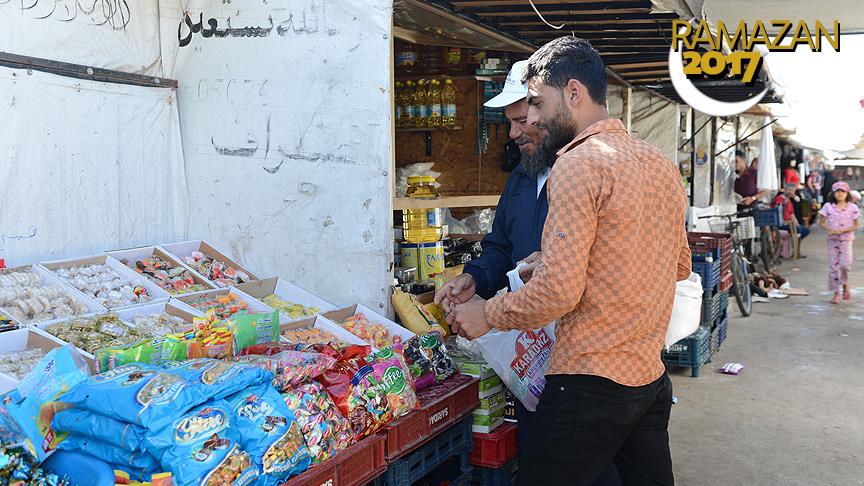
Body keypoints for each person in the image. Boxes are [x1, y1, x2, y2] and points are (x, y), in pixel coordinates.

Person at [443, 37, 689, 486]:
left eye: (537, 103)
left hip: (587, 379)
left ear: (573, 93)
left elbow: (558, 292)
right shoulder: (659, 163)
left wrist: (486, 314)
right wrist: (566, 263)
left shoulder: (578, 162)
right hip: (646, 377)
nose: (531, 118)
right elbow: (677, 266)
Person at [433, 60, 620, 486]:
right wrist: (474, 278)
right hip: (531, 345)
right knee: (542, 445)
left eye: (524, 119)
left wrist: (491, 313)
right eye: (512, 122)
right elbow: (500, 245)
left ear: (552, 114)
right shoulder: (521, 175)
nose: (516, 132)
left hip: (582, 352)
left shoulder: (588, 171)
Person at [819, 181, 861, 304]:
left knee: (845, 265)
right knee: (833, 267)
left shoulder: (852, 207)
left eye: (842, 191)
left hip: (846, 240)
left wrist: (843, 230)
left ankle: (845, 284)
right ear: (833, 193)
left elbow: (856, 225)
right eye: (837, 191)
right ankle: (836, 293)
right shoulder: (828, 206)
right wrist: (829, 229)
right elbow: (821, 223)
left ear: (847, 193)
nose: (840, 194)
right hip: (832, 241)